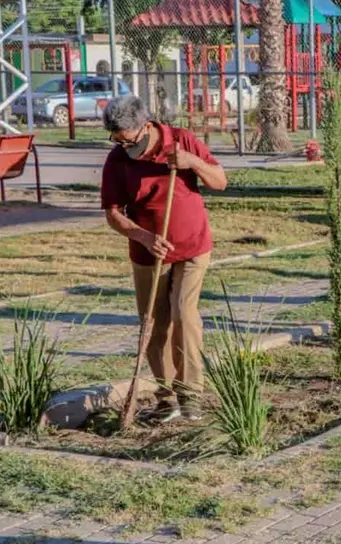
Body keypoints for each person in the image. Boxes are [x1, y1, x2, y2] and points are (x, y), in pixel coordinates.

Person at [100, 95, 228, 423]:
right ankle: (167, 397)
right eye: (116, 140)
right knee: (154, 326)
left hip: (192, 245)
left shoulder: (180, 140)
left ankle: (191, 395)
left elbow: (220, 181)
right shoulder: (117, 160)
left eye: (128, 140)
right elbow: (113, 214)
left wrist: (192, 162)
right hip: (148, 253)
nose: (123, 146)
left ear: (144, 127)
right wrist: (144, 237)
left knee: (184, 313)